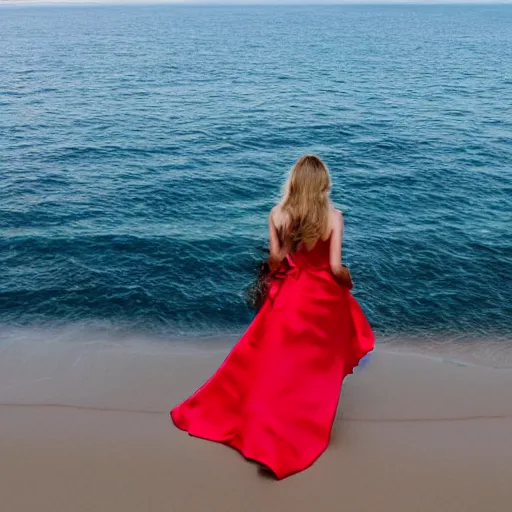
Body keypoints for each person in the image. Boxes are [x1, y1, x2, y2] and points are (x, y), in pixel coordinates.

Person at [170, 155, 375, 479]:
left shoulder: (278, 214)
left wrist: (280, 269)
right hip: (323, 298)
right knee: (314, 367)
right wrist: (348, 280)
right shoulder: (334, 217)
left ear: (293, 181)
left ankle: (262, 427)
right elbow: (336, 268)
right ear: (322, 185)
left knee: (269, 360)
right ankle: (295, 425)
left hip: (291, 294)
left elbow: (277, 259)